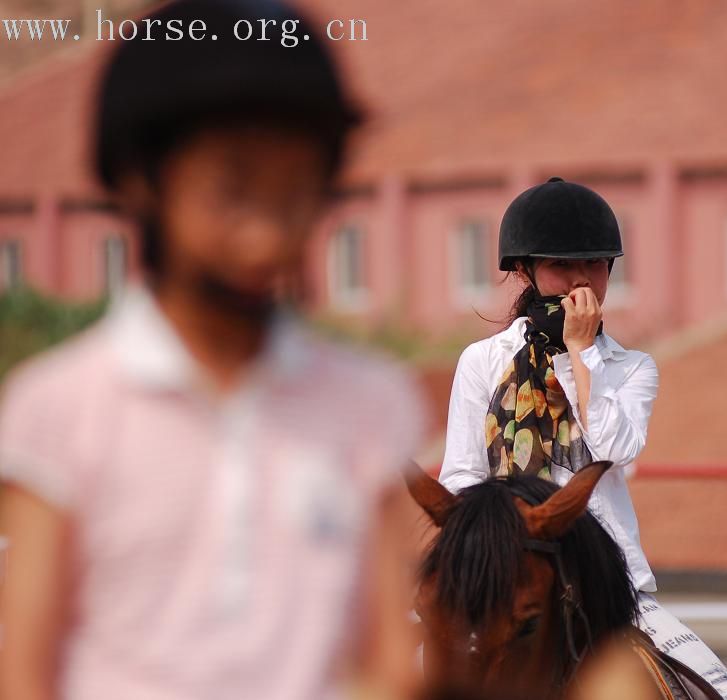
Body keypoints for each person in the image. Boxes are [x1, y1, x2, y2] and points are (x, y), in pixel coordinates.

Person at [0, 2, 422, 698]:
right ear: (140, 181)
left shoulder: (368, 404)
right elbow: (25, 676)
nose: (267, 235)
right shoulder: (59, 407)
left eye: (296, 194)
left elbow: (391, 665)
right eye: (234, 190)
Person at [439, 177, 727, 700]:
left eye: (595, 266)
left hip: (606, 581)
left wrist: (578, 354)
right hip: (504, 578)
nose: (580, 283)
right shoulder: (482, 361)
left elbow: (612, 449)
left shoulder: (632, 368)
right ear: (525, 271)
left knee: (725, 692)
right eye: (563, 267)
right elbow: (462, 476)